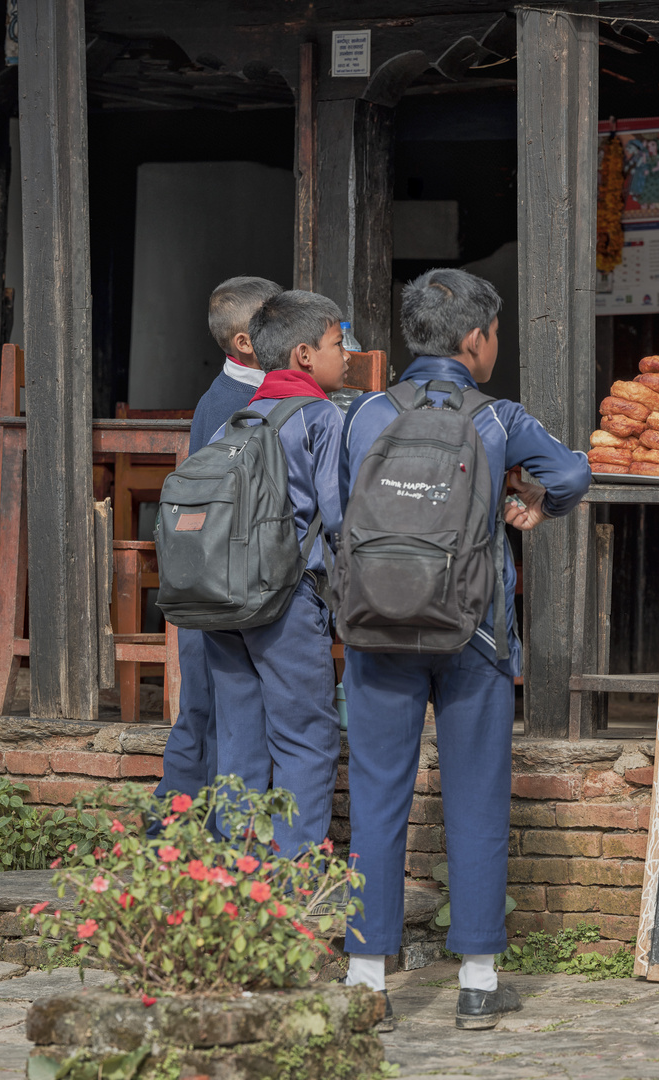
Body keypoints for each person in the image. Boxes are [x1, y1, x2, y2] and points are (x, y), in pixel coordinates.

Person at [339, 268, 590, 1030]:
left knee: (378, 796)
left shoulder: (361, 415)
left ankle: (363, 983)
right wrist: (537, 501)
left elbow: (331, 509)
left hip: (376, 628)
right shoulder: (498, 417)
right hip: (473, 631)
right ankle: (477, 980)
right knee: (476, 797)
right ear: (476, 341)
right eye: (493, 336)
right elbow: (574, 472)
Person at [201, 290, 346, 853]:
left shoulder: (236, 419)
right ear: (305, 355)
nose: (348, 353)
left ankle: (234, 875)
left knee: (239, 740)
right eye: (339, 343)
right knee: (305, 737)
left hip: (221, 602)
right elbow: (338, 518)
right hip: (285, 602)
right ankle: (292, 878)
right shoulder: (319, 416)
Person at [154, 277, 281, 820]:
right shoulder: (248, 401)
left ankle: (178, 840)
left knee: (205, 711)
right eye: (276, 323)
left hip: (206, 576)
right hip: (222, 578)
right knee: (214, 711)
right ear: (245, 343)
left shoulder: (224, 395)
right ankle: (191, 840)